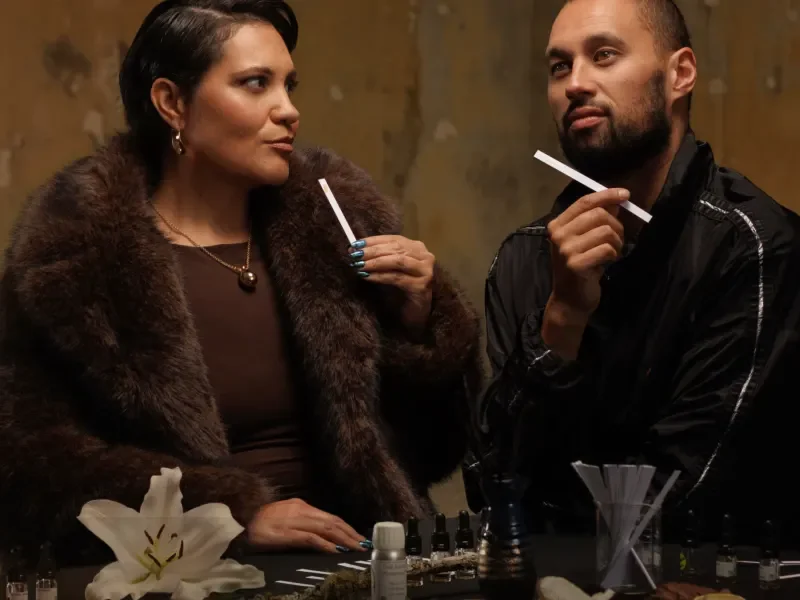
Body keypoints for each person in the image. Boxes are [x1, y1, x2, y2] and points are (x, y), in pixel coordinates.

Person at [0, 0, 482, 565]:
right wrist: (226, 517)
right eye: (256, 84)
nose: (289, 110)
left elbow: (432, 452)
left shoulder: (336, 229)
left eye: (289, 85)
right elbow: (32, 469)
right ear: (172, 103)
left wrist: (419, 325)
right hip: (188, 575)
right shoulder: (76, 263)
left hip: (363, 561)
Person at [468, 0, 800, 543]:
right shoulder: (523, 259)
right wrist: (561, 322)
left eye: (604, 55)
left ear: (680, 74)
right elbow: (492, 487)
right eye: (559, 66)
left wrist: (548, 510)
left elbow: (684, 500)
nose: (575, 83)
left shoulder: (753, 247)